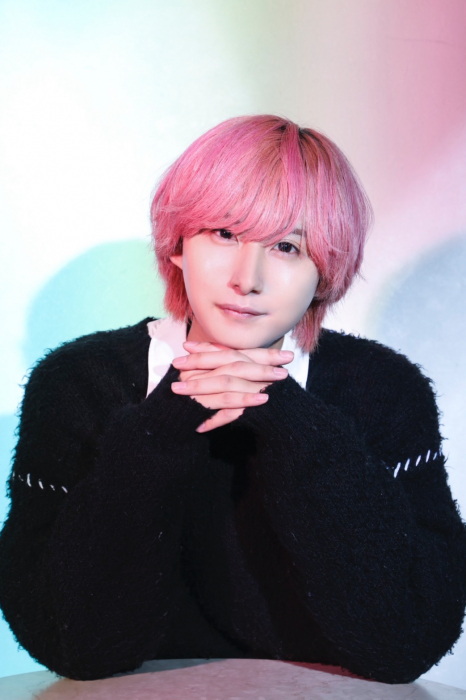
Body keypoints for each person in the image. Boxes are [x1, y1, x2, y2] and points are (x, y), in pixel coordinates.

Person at [0, 115, 465, 684]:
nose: (248, 278)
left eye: (287, 246)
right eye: (224, 234)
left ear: (325, 274)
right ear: (178, 245)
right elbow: (73, 646)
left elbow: (407, 642)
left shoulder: (382, 390)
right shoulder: (78, 383)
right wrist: (167, 419)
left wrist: (291, 418)